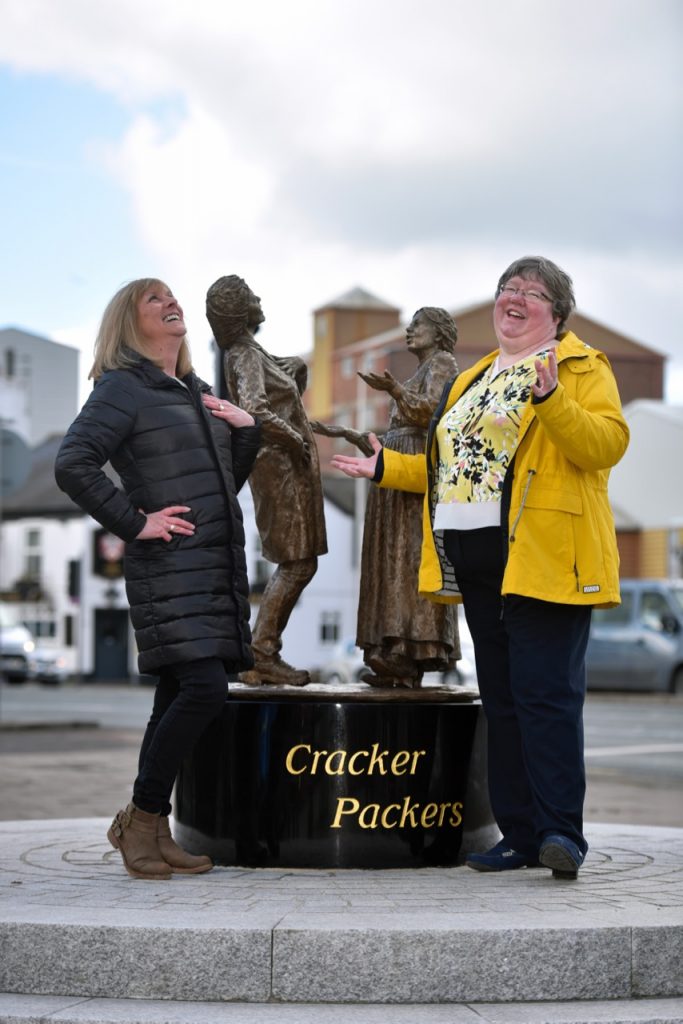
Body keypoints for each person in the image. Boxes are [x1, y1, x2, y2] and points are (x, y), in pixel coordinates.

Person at [331, 256, 629, 880]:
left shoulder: (579, 366)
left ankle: (560, 835)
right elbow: (456, 470)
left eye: (533, 291)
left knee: (546, 699)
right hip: (478, 562)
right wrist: (386, 467)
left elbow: (605, 445)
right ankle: (519, 833)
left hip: (546, 555)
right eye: (507, 288)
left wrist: (550, 400)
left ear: (557, 313)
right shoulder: (473, 379)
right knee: (503, 701)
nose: (514, 297)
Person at [55, 278, 261, 880]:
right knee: (204, 692)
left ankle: (152, 827)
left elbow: (222, 484)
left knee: (176, 696)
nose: (172, 303)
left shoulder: (194, 391)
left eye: (173, 296)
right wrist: (134, 522)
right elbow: (73, 463)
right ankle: (140, 819)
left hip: (213, 567)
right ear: (130, 321)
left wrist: (245, 431)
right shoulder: (123, 388)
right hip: (169, 567)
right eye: (154, 299)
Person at [312, 307, 460, 687]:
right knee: (389, 560)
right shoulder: (418, 372)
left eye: (418, 324)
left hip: (414, 474)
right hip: (393, 470)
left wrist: (393, 389)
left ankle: (409, 647)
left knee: (408, 559)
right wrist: (342, 432)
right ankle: (391, 648)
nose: (410, 330)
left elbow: (433, 412)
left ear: (439, 332)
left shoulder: (443, 363)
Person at [205, 275, 327, 687]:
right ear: (240, 311)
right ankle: (261, 653)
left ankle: (262, 651)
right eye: (250, 295)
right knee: (298, 562)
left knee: (299, 561)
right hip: (278, 467)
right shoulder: (242, 354)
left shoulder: (255, 352)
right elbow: (255, 410)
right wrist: (294, 439)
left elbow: (283, 397)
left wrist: (299, 368)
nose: (259, 298)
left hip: (291, 467)